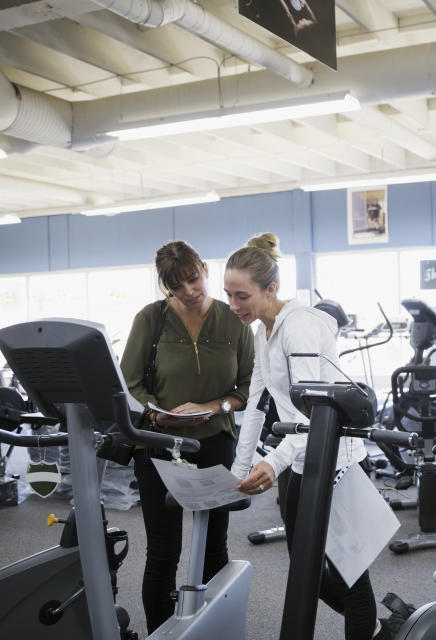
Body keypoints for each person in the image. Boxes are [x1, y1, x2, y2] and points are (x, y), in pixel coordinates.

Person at [225, 233, 390, 640]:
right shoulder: (260, 332)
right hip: (302, 459)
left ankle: (369, 627)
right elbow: (256, 403)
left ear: (270, 289)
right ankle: (379, 629)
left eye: (241, 296)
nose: (233, 306)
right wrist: (238, 470)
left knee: (352, 580)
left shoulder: (299, 329)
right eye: (228, 295)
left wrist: (272, 461)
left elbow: (317, 415)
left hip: (337, 461)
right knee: (307, 573)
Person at [121, 241, 254, 633]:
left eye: (193, 279)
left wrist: (213, 407)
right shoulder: (151, 318)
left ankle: (215, 630)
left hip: (214, 443)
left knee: (215, 548)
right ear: (166, 288)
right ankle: (164, 633)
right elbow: (128, 385)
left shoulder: (233, 320)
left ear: (205, 270)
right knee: (163, 553)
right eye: (176, 286)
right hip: (160, 447)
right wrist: (156, 414)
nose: (189, 291)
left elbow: (247, 387)